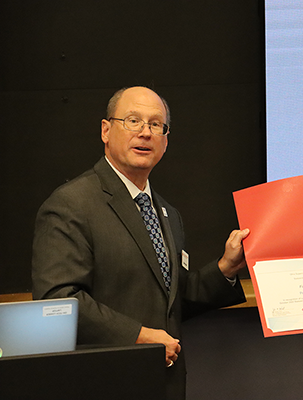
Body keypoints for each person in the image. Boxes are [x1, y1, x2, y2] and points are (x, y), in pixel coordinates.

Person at [32, 86, 250, 400]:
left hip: (166, 385)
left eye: (156, 125)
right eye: (133, 121)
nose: (145, 133)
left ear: (166, 139)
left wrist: (225, 268)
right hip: (103, 384)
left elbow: (170, 301)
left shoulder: (167, 213)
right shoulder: (71, 205)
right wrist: (137, 337)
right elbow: (57, 302)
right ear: (106, 130)